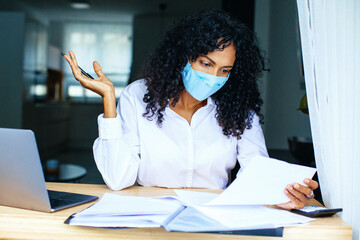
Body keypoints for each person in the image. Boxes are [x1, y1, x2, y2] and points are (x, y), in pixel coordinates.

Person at [63, 10, 318, 210]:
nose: (214, 77)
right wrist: (109, 100)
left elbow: (257, 171)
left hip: (214, 218)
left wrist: (283, 194)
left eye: (225, 70)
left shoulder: (239, 108)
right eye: (206, 63)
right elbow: (117, 179)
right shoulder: (138, 96)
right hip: (150, 217)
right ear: (183, 56)